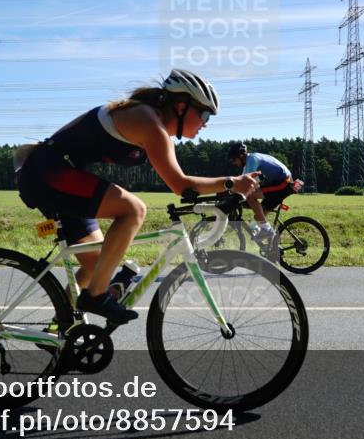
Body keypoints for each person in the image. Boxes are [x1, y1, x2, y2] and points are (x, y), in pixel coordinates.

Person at [16, 69, 261, 324]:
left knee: (98, 265)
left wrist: (227, 190)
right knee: (134, 210)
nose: (206, 122)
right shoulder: (149, 122)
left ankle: (60, 328)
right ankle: (96, 296)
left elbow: (185, 186)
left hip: (55, 173)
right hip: (48, 173)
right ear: (181, 107)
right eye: (205, 113)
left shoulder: (149, 120)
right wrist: (232, 183)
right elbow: (180, 184)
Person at [226, 142, 295, 240]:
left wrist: (229, 189)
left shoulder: (252, 160)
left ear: (241, 156)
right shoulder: (251, 160)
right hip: (280, 181)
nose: (233, 163)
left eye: (234, 159)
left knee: (250, 196)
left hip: (283, 182)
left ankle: (266, 230)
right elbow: (243, 180)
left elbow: (244, 183)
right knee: (259, 214)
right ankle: (270, 246)